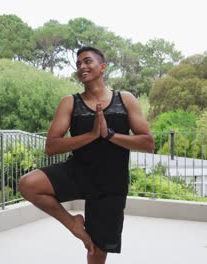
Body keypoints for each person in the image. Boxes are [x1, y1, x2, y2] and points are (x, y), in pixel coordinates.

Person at [18, 46, 155, 264]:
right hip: (78, 172)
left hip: (111, 183)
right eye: (78, 63)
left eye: (87, 61)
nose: (82, 66)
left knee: (96, 252)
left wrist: (109, 135)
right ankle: (73, 223)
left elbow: (147, 142)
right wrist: (92, 135)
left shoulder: (125, 99)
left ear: (102, 67)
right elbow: (51, 146)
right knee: (28, 184)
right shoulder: (70, 102)